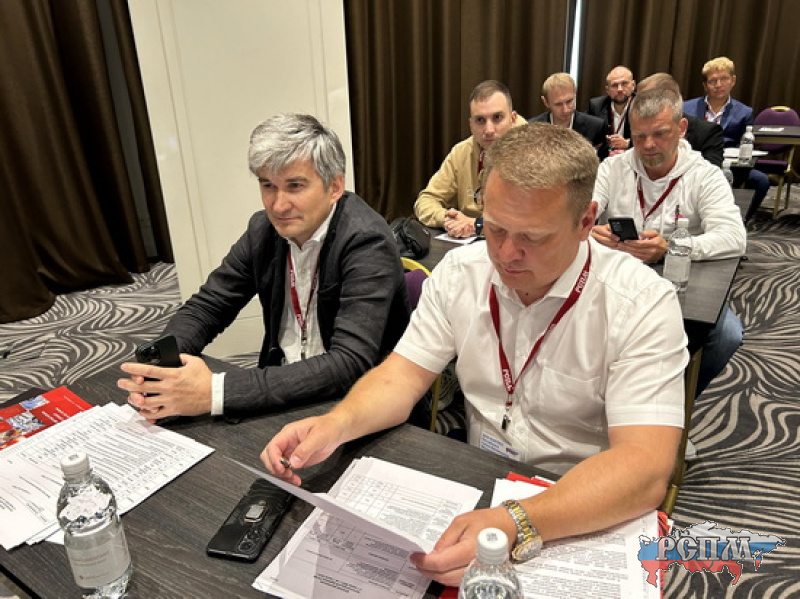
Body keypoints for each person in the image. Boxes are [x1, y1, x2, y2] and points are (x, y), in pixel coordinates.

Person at [262, 123, 688, 586]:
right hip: (480, 481)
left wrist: (515, 521)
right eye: (495, 228)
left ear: (586, 222)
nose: (506, 254)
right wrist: (337, 424)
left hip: (581, 500)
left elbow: (645, 468)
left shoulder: (640, 303)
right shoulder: (460, 273)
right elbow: (400, 378)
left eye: (533, 237)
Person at [118, 113, 409, 420]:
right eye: (268, 185)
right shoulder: (263, 231)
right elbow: (208, 306)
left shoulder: (367, 241)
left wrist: (215, 392)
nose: (278, 205)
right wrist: (161, 366)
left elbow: (350, 362)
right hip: (283, 386)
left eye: (295, 186)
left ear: (334, 186)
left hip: (355, 402)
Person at [591, 87, 746, 395]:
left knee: (727, 335)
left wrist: (671, 247)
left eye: (660, 134)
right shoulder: (612, 168)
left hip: (678, 280)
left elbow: (734, 237)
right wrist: (589, 229)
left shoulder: (704, 175)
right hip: (617, 275)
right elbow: (580, 214)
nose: (648, 145)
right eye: (639, 136)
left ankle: (677, 399)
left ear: (681, 128)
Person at [413, 80, 525, 238]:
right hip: (468, 244)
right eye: (480, 120)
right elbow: (426, 200)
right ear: (471, 125)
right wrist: (447, 218)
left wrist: (477, 225)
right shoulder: (461, 152)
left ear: (513, 119)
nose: (489, 130)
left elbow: (533, 219)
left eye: (497, 117)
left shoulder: (533, 153)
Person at [684, 56, 770, 222]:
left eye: (724, 79)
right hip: (693, 162)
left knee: (761, 180)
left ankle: (740, 221)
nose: (719, 85)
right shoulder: (687, 107)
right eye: (713, 81)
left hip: (729, 165)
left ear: (733, 81)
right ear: (705, 85)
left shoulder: (744, 112)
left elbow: (745, 144)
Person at [637, 73, 724, 167]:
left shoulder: (708, 132)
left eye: (647, 100)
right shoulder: (638, 129)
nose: (648, 144)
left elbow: (710, 171)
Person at [533, 73, 606, 155]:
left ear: (575, 95)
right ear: (545, 102)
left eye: (569, 101)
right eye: (558, 104)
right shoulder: (533, 129)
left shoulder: (595, 127)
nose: (565, 110)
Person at [587, 65, 636, 159]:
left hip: (632, 158)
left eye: (624, 84)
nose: (620, 89)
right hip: (605, 159)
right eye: (614, 85)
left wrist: (628, 143)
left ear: (633, 85)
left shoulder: (641, 105)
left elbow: (650, 136)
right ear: (607, 90)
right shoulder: (596, 106)